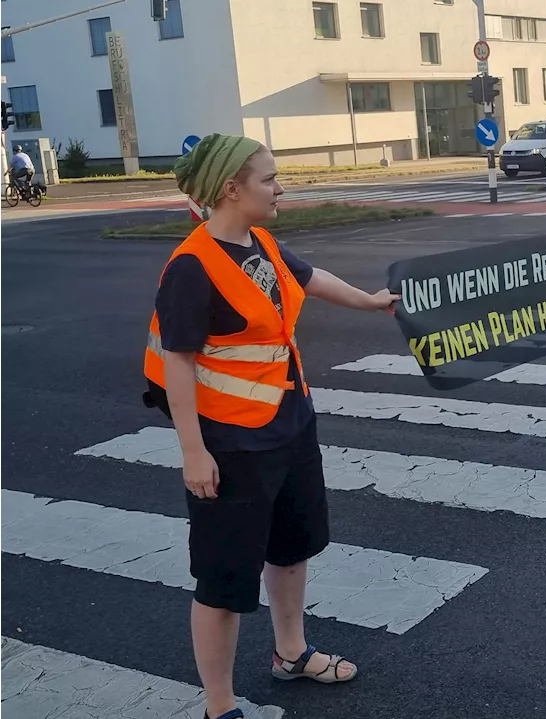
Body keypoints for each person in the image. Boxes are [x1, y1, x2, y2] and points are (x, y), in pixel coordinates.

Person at [141, 134, 398, 719]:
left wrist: (369, 301)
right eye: (269, 179)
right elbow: (178, 364)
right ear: (231, 189)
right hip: (231, 444)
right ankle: (220, 704)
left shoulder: (260, 243)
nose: (280, 187)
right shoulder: (190, 266)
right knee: (225, 579)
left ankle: (291, 653)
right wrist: (193, 452)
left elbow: (307, 277)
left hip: (290, 425)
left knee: (290, 550)